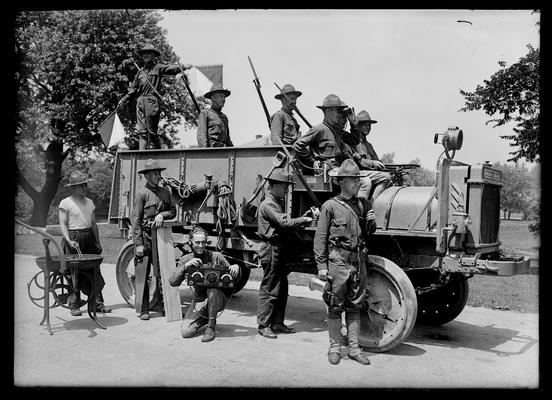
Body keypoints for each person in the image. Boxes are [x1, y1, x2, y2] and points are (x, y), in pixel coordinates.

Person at [314, 159, 376, 365]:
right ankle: (334, 348)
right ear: (342, 182)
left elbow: (368, 235)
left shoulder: (364, 204)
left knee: (355, 306)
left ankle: (353, 349)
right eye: (353, 180)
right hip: (338, 261)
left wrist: (370, 222)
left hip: (358, 261)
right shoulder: (330, 206)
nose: (357, 183)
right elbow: (320, 238)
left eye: (358, 179)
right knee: (334, 305)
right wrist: (322, 266)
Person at [256, 169, 313, 338]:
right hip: (271, 249)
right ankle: (263, 325)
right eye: (285, 186)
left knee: (281, 288)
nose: (287, 190)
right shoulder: (268, 204)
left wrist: (303, 217)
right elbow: (283, 222)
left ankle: (277, 323)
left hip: (278, 249)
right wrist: (304, 220)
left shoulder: (275, 202)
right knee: (269, 288)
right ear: (276, 186)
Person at [169, 226, 240, 342]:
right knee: (186, 332)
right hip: (199, 300)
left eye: (203, 242)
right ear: (190, 242)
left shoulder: (216, 256)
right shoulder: (185, 259)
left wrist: (236, 268)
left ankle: (211, 327)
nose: (201, 246)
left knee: (212, 289)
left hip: (218, 298)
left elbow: (232, 279)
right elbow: (172, 282)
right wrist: (186, 266)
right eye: (197, 242)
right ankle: (205, 318)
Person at [118, 43, 192, 150]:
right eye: (144, 54)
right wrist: (123, 100)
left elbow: (170, 68)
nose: (146, 56)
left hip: (151, 101)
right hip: (140, 101)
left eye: (148, 54)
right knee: (141, 132)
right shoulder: (140, 73)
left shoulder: (157, 68)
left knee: (151, 131)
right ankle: (141, 155)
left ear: (153, 56)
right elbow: (133, 89)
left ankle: (159, 152)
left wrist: (184, 67)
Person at [58, 170, 111, 316]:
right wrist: (69, 240)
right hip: (73, 238)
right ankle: (74, 305)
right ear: (74, 187)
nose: (85, 187)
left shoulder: (90, 203)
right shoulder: (65, 203)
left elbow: (94, 224)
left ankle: (98, 304)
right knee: (74, 273)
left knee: (94, 270)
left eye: (85, 184)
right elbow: (62, 225)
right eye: (82, 185)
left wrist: (98, 242)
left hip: (88, 237)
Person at [130, 159, 176, 320]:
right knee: (143, 274)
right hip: (146, 238)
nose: (158, 176)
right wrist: (138, 245)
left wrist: (161, 214)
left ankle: (165, 307)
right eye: (155, 173)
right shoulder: (141, 194)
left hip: (161, 240)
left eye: (159, 173)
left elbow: (172, 211)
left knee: (163, 273)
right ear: (147, 176)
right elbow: (135, 220)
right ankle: (144, 309)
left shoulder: (165, 193)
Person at [292, 94, 360, 174]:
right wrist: (313, 161)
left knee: (367, 179)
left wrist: (353, 124)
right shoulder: (319, 129)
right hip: (327, 171)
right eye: (337, 111)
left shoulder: (338, 132)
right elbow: (297, 145)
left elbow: (355, 140)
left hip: (340, 169)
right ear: (328, 111)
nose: (339, 114)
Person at [352, 110, 393, 201]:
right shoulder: (353, 143)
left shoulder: (369, 145)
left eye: (369, 125)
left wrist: (380, 165)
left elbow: (377, 161)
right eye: (365, 125)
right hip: (359, 175)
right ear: (358, 126)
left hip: (371, 174)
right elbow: (359, 162)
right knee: (386, 178)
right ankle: (370, 205)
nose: (368, 127)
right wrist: (373, 163)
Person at [196, 83, 233, 147]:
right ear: (213, 98)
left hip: (224, 151)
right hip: (213, 152)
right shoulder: (205, 113)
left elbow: (228, 140)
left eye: (224, 97)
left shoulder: (224, 117)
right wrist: (206, 154)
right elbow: (201, 137)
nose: (223, 99)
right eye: (221, 96)